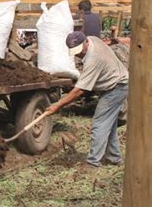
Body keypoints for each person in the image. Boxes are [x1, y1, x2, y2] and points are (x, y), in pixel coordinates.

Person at [46, 31, 129, 167]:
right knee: (109, 125)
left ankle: (93, 162)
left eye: (80, 50)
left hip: (117, 87)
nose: (79, 54)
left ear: (85, 42)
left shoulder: (93, 58)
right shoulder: (93, 39)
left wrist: (58, 105)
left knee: (99, 124)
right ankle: (114, 158)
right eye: (75, 51)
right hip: (115, 84)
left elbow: (79, 90)